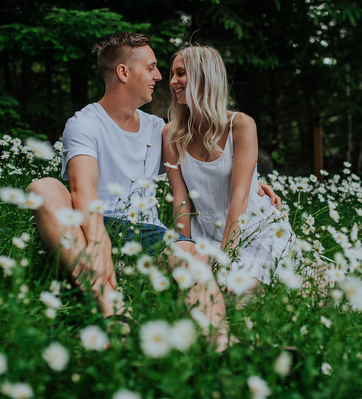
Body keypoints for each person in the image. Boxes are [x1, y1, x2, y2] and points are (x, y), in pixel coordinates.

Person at [27, 33, 277, 350]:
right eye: (152, 68)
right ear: (123, 73)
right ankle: (112, 308)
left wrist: (255, 183)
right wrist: (98, 239)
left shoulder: (157, 129)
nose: (159, 77)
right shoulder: (85, 124)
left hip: (146, 234)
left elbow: (202, 165)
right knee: (43, 187)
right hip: (94, 224)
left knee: (190, 253)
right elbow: (82, 187)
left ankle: (222, 345)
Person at [163, 45, 297, 293]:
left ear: (204, 77)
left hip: (254, 230)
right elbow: (181, 202)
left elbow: (240, 196)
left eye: (181, 73)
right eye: (172, 74)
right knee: (200, 293)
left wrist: (227, 259)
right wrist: (183, 249)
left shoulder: (241, 125)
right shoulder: (171, 133)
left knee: (237, 294)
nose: (172, 81)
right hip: (205, 234)